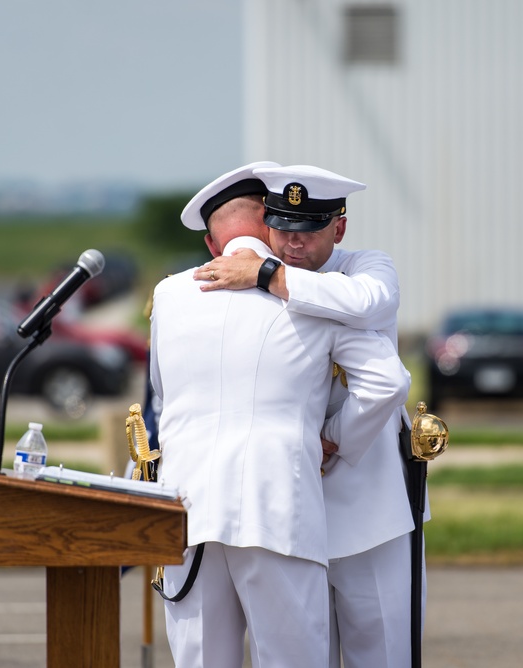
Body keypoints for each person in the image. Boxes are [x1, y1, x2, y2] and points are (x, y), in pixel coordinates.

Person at [149, 161, 410, 668]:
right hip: (282, 504)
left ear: (339, 227)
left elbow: (162, 395)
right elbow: (387, 381)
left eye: (309, 229)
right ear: (268, 226)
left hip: (212, 509)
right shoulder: (301, 302)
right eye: (284, 229)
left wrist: (269, 273)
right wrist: (329, 439)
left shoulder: (347, 274)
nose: (295, 243)